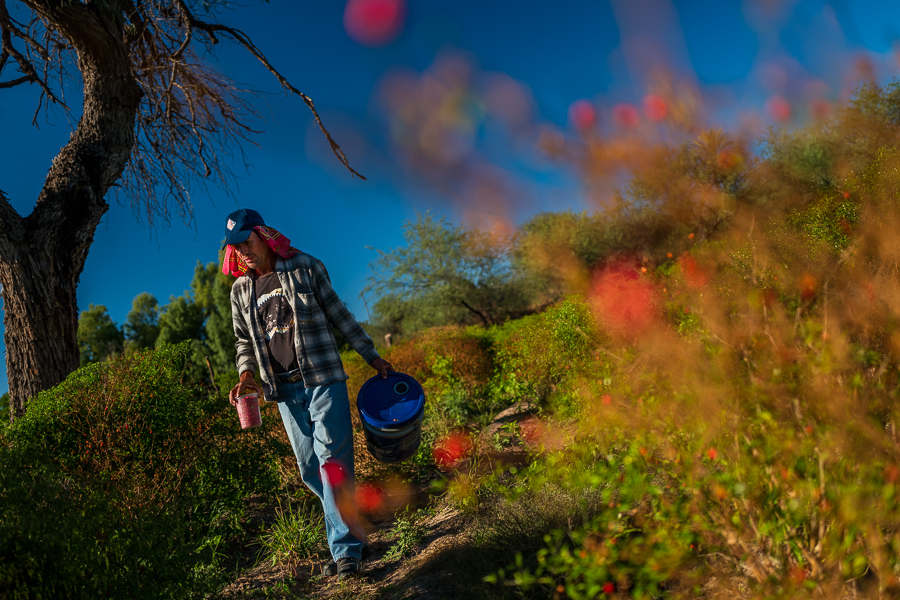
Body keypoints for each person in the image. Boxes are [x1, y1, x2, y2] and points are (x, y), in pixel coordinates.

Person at [221, 208, 393, 580]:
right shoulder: (240, 290)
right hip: (281, 389)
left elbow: (339, 314)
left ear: (263, 235)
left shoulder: (305, 266)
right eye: (234, 247)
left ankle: (345, 551)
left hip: (322, 377)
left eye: (246, 242)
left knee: (331, 459)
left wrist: (371, 355)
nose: (242, 252)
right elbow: (243, 341)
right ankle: (354, 534)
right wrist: (246, 374)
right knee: (310, 469)